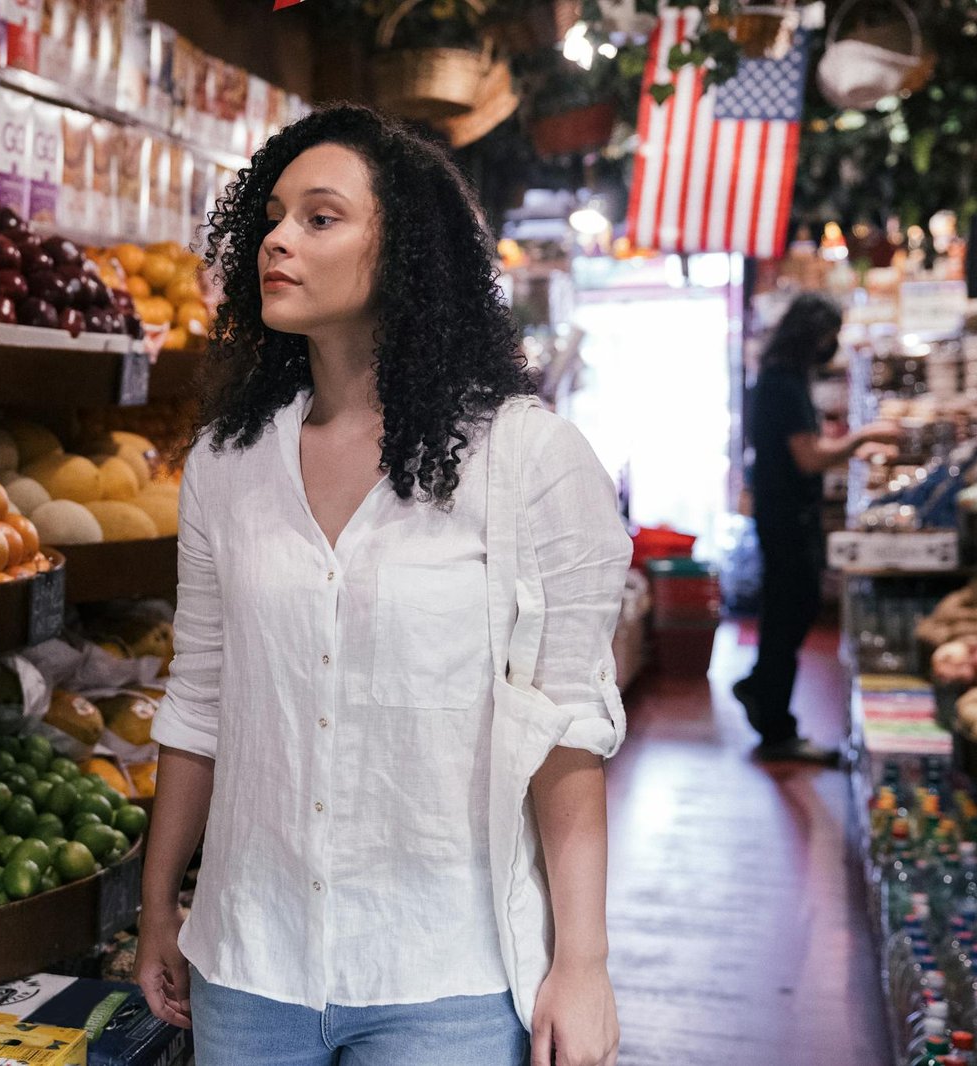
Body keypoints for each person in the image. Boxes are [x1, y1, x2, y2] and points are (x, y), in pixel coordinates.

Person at [135, 104, 631, 1066]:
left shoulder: (525, 460)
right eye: (272, 217)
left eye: (322, 218)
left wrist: (583, 963)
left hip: (443, 976)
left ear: (403, 250)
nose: (279, 238)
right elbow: (200, 703)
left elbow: (567, 729)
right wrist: (160, 908)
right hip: (249, 964)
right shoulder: (228, 464)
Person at [736, 294, 899, 764]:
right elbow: (807, 458)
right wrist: (862, 439)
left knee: (788, 608)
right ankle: (775, 726)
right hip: (787, 514)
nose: (833, 344)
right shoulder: (784, 383)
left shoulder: (780, 377)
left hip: (781, 510)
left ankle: (760, 691)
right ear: (814, 335)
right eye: (830, 335)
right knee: (792, 608)